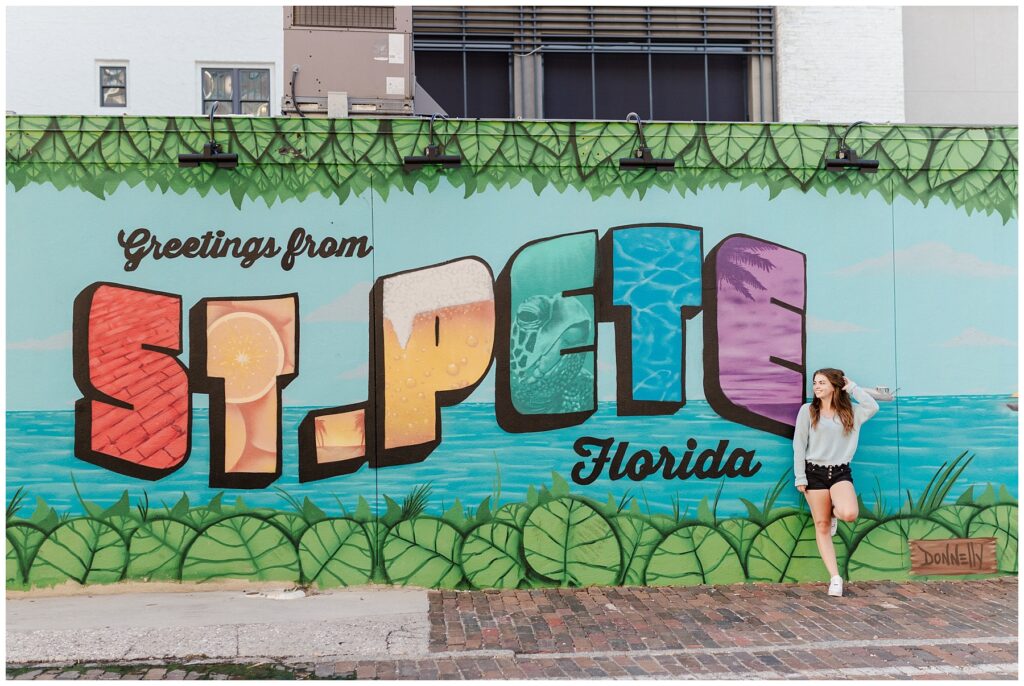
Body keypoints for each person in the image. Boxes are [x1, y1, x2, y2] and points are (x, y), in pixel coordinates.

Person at [793, 368, 879, 597]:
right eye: (815, 383)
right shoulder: (808, 411)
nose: (817, 386)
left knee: (849, 513)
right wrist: (800, 477)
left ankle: (835, 513)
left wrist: (852, 387)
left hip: (840, 472)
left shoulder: (851, 412)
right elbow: (799, 445)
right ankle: (835, 577)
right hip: (814, 473)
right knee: (821, 526)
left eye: (822, 382)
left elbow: (873, 406)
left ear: (834, 386)